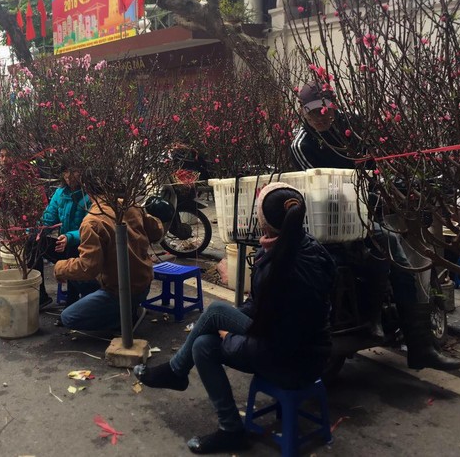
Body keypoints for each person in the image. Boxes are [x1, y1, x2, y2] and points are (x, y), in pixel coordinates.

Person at [134, 183, 335, 454]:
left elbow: (278, 339)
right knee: (203, 343)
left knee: (214, 316)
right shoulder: (305, 246)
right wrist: (230, 327)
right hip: (300, 348)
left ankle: (177, 372)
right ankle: (228, 426)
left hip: (292, 359)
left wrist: (231, 338)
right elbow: (260, 310)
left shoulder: (282, 264)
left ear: (264, 223)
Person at [289, 82, 460, 371]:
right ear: (302, 112)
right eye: (313, 112)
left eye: (325, 110)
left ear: (333, 106)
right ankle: (399, 334)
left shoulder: (351, 124)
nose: (321, 117)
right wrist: (367, 185)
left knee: (393, 248)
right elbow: (324, 185)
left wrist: (396, 183)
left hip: (366, 205)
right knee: (393, 249)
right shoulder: (302, 144)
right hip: (331, 217)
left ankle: (411, 338)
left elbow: (377, 159)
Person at [53, 176, 164, 331]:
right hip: (143, 283)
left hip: (119, 291)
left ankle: (122, 320)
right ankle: (122, 310)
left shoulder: (92, 221)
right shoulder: (130, 205)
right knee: (76, 278)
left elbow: (89, 267)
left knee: (68, 317)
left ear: (88, 192)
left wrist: (59, 268)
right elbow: (157, 233)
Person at [32, 166, 92, 308]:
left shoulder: (90, 195)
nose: (69, 176)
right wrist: (37, 230)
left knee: (72, 250)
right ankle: (39, 295)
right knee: (33, 243)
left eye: (74, 170)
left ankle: (72, 303)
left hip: (82, 248)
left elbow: (91, 228)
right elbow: (49, 218)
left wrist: (70, 237)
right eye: (65, 171)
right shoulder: (60, 193)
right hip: (62, 245)